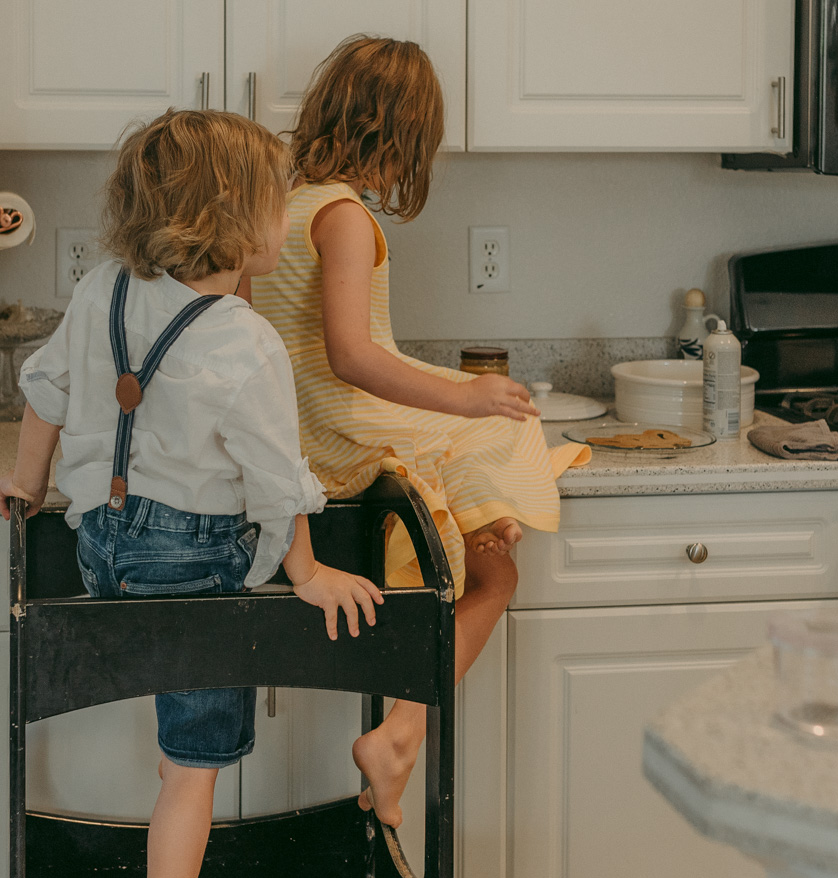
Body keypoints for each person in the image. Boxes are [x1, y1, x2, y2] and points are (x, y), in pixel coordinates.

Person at [0, 109, 383, 878]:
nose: (287, 216)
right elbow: (278, 485)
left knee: (163, 723)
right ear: (235, 221)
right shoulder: (246, 342)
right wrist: (310, 572)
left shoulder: (103, 290)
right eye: (276, 201)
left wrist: (25, 484)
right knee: (190, 768)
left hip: (102, 549)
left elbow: (45, 391)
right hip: (194, 570)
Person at [248, 35, 589, 830]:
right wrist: (466, 396)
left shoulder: (276, 207)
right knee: (504, 485)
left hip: (296, 434)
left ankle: (481, 523)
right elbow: (352, 355)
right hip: (342, 434)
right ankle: (403, 730)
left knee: (495, 479)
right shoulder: (344, 218)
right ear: (402, 136)